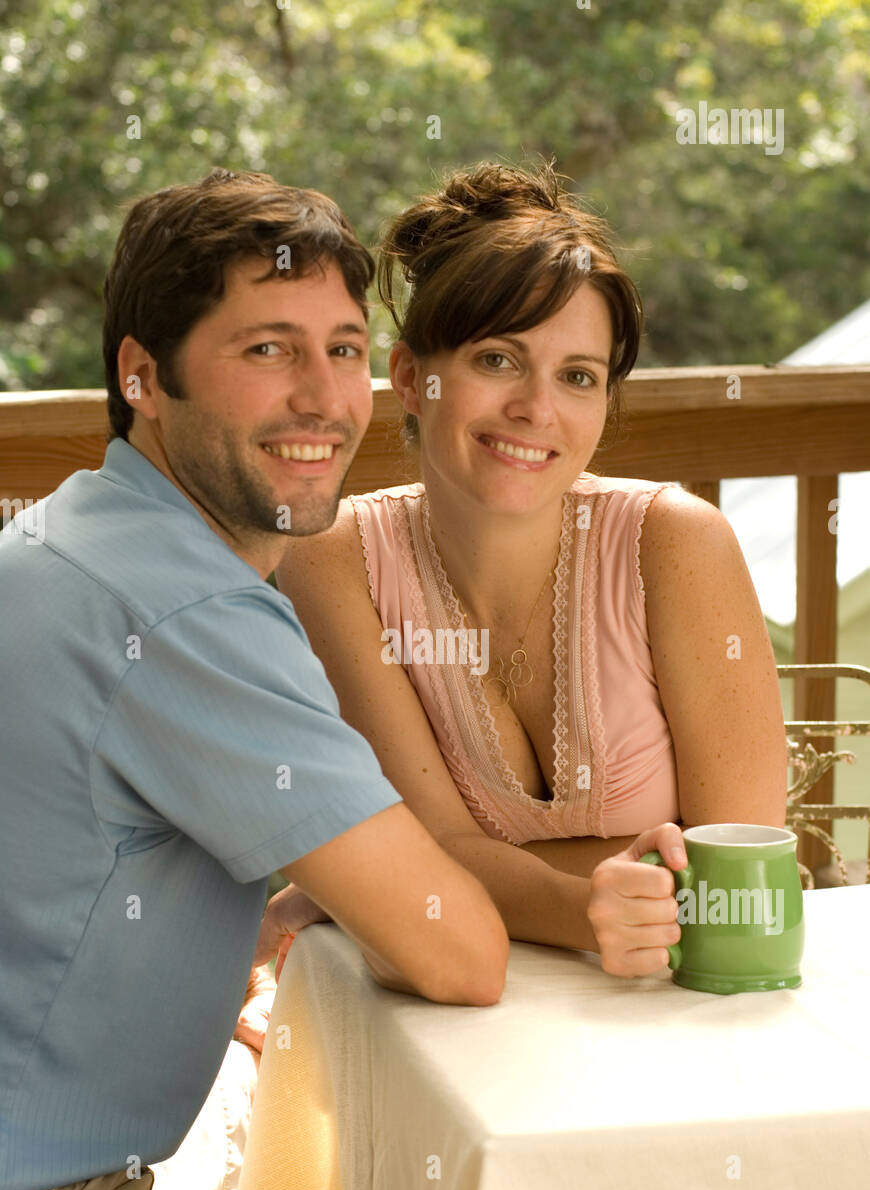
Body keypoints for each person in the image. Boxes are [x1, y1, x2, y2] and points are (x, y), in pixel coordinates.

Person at [0, 167, 510, 1190]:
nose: (324, 397)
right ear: (143, 374)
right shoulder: (185, 608)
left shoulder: (81, 534)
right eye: (268, 349)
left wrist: (282, 896)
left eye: (342, 348)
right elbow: (459, 951)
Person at [269, 159, 787, 975]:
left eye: (577, 377)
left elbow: (735, 873)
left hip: (690, 996)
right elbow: (434, 844)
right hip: (470, 1002)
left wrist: (384, 878)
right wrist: (588, 902)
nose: (536, 410)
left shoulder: (675, 543)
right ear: (411, 376)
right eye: (499, 361)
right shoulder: (334, 561)